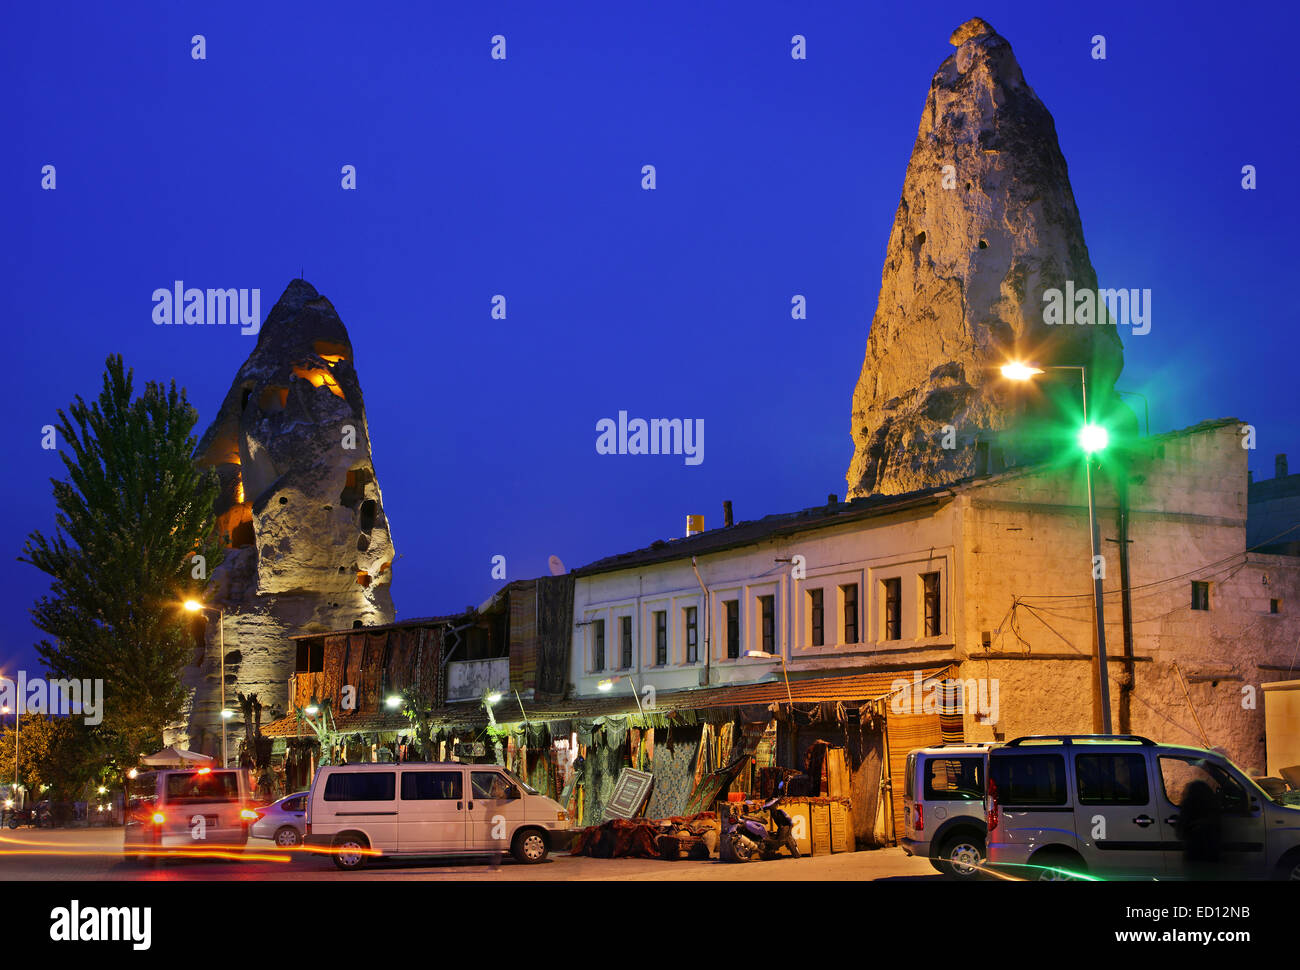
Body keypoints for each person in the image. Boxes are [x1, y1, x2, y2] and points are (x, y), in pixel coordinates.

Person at [1177, 780, 1223, 880]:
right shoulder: (1213, 809)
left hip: (1193, 853)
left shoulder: (1188, 806)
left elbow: (1180, 831)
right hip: (1211, 854)